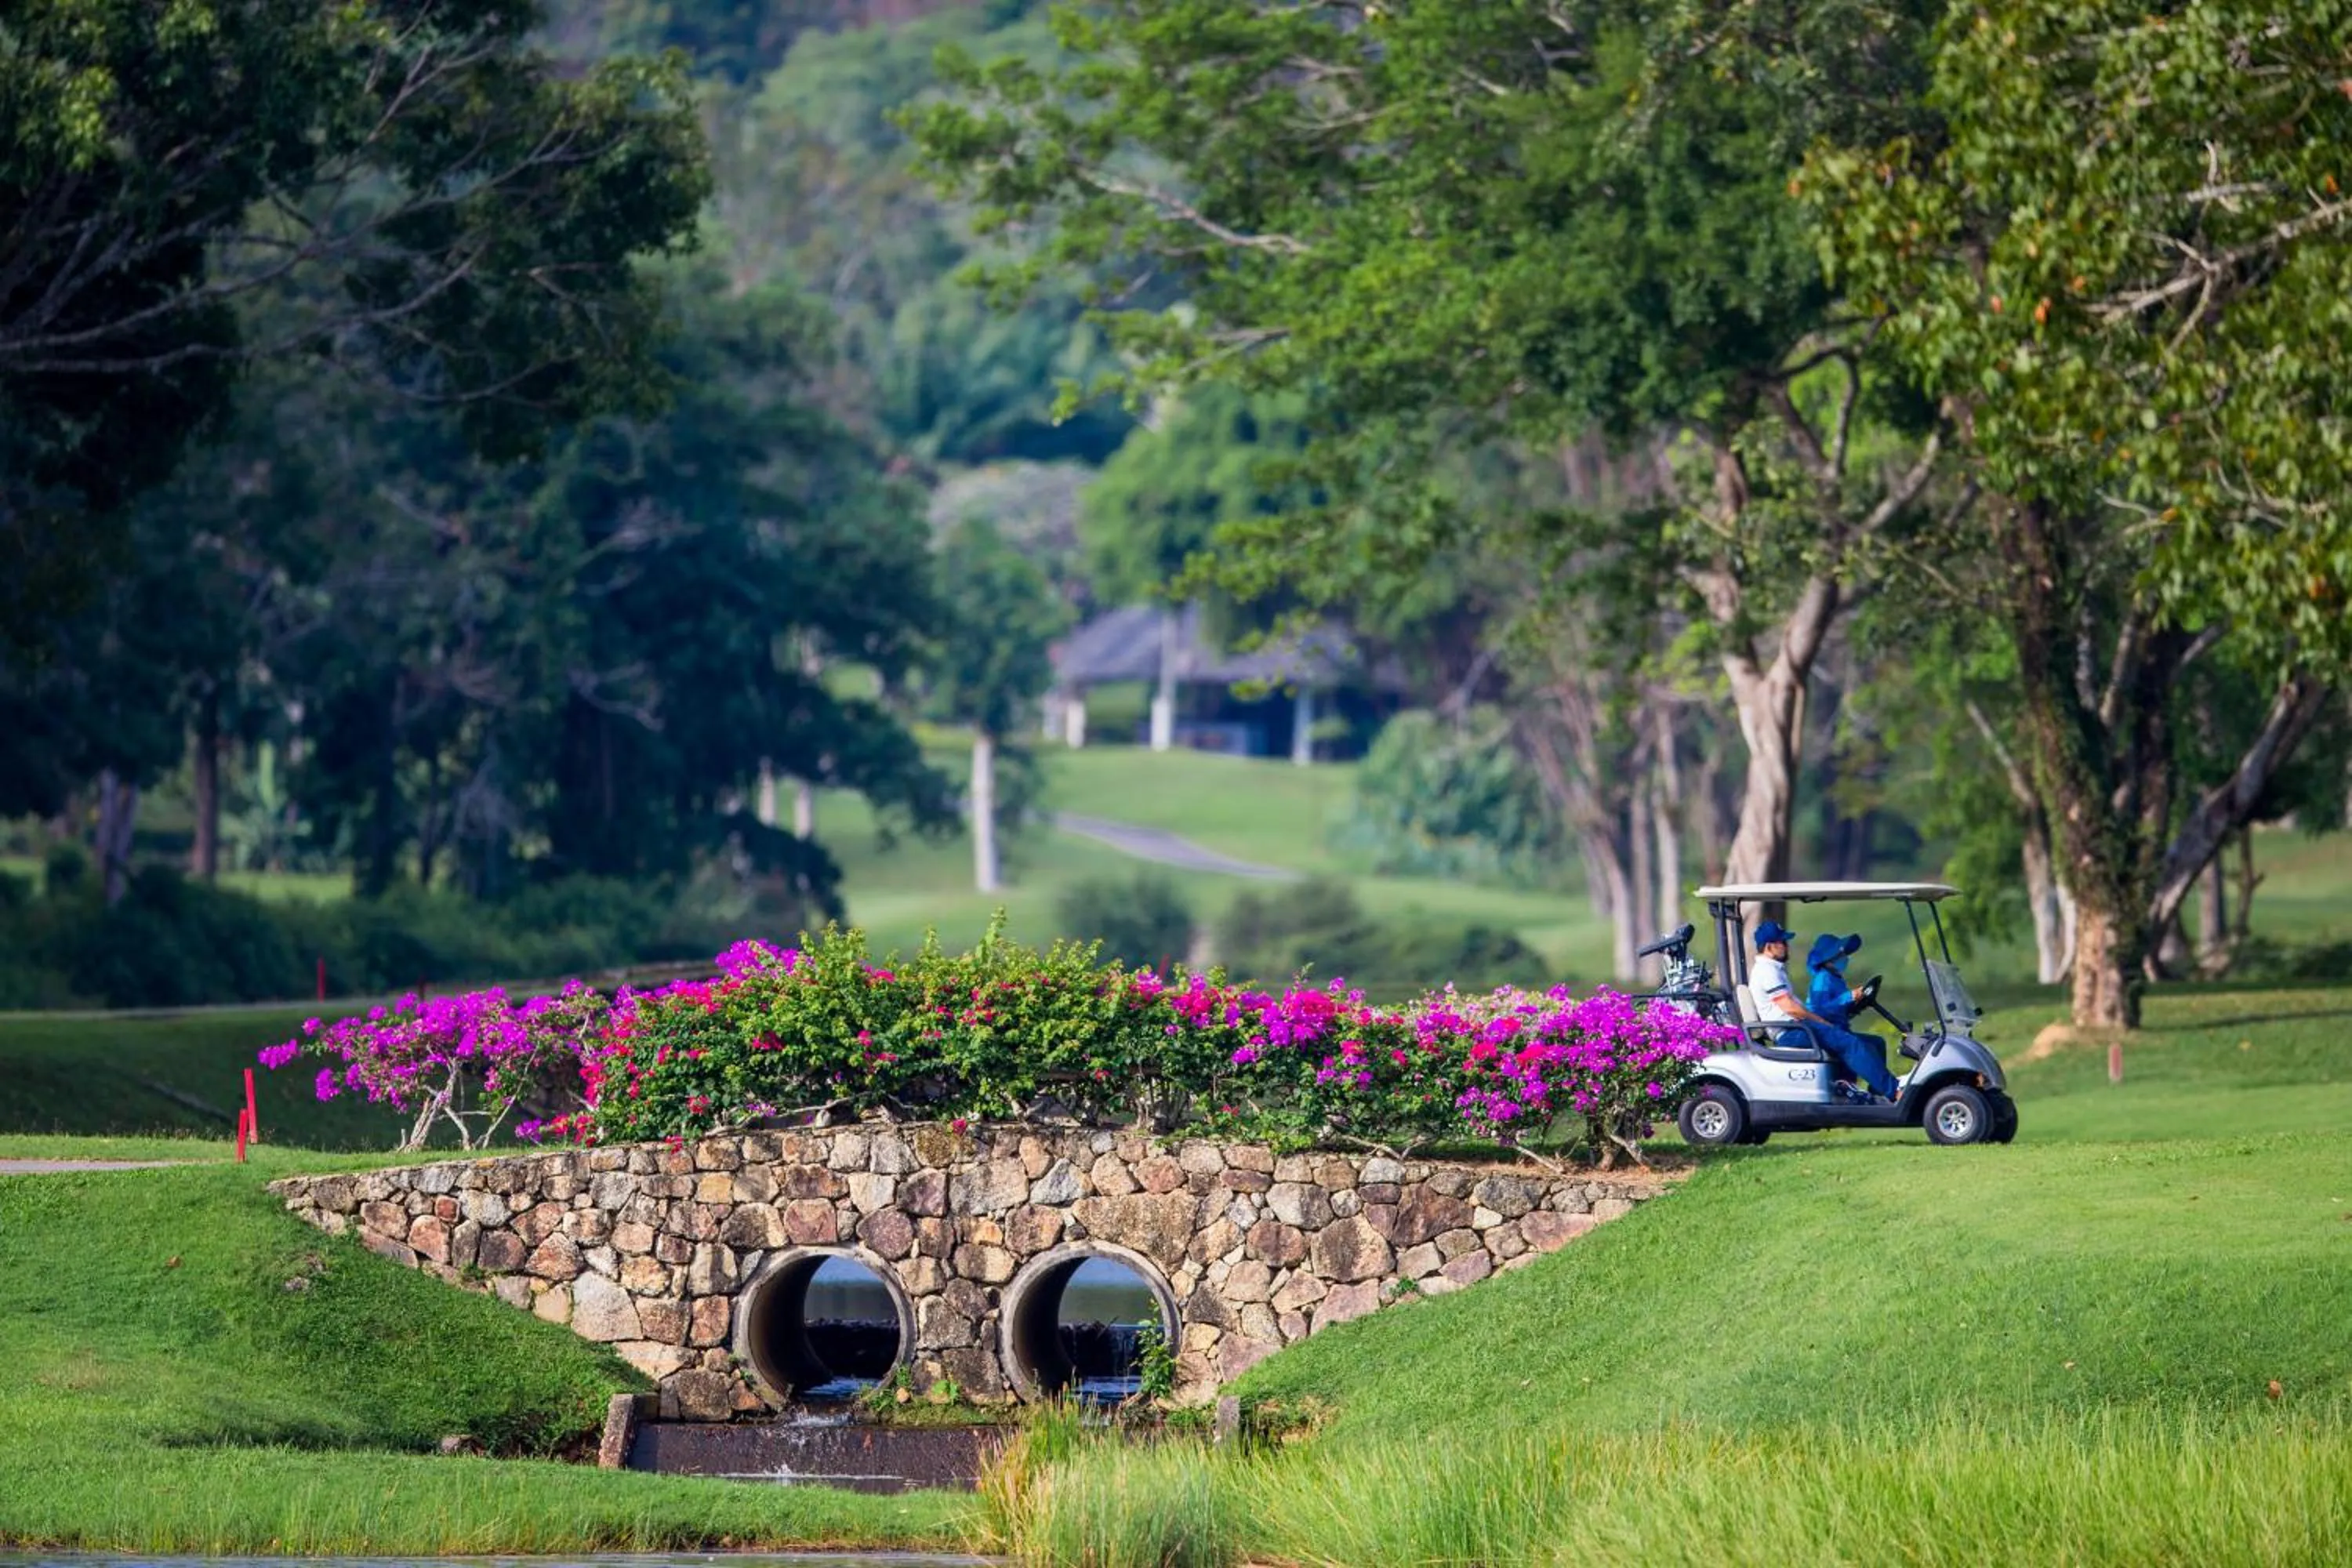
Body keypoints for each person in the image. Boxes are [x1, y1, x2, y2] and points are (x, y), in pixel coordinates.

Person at [1748, 921, 1900, 1102]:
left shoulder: (1772, 969)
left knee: (1869, 1042)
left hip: (1797, 1028)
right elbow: (1791, 1009)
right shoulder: (1767, 971)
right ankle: (1895, 1093)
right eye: (1783, 942)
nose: (1787, 946)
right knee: (1850, 1043)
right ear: (1769, 946)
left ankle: (1874, 1094)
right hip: (1791, 1032)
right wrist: (1822, 1022)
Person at [1804, 931, 1900, 1102]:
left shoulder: (1835, 978)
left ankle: (1878, 1092)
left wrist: (1856, 1004)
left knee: (1877, 1043)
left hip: (1837, 1028)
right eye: (1840, 955)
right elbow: (1819, 1011)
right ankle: (1892, 1091)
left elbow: (1837, 1009)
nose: (1845, 958)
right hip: (1826, 1032)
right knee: (1858, 1046)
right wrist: (1848, 997)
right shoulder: (1822, 979)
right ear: (1828, 958)